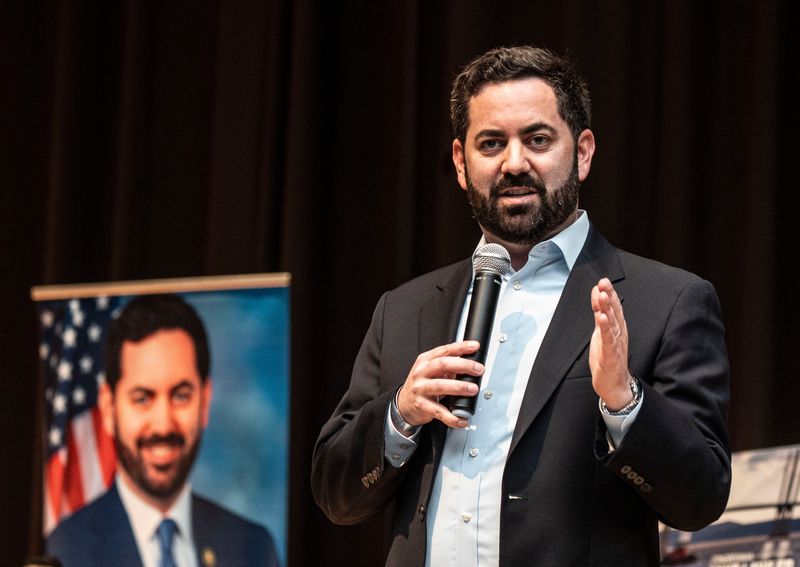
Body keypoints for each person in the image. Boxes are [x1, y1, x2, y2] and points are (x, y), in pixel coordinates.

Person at [311, 45, 731, 566]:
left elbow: (701, 498)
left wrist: (624, 402)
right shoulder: (405, 308)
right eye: (491, 144)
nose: (514, 163)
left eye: (537, 139)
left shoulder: (665, 301)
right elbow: (335, 495)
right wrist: (400, 413)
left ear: (582, 152)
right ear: (462, 164)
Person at [47, 294, 279, 567]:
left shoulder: (253, 546)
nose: (163, 424)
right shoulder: (66, 549)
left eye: (181, 396)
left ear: (205, 401)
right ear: (109, 408)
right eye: (142, 399)